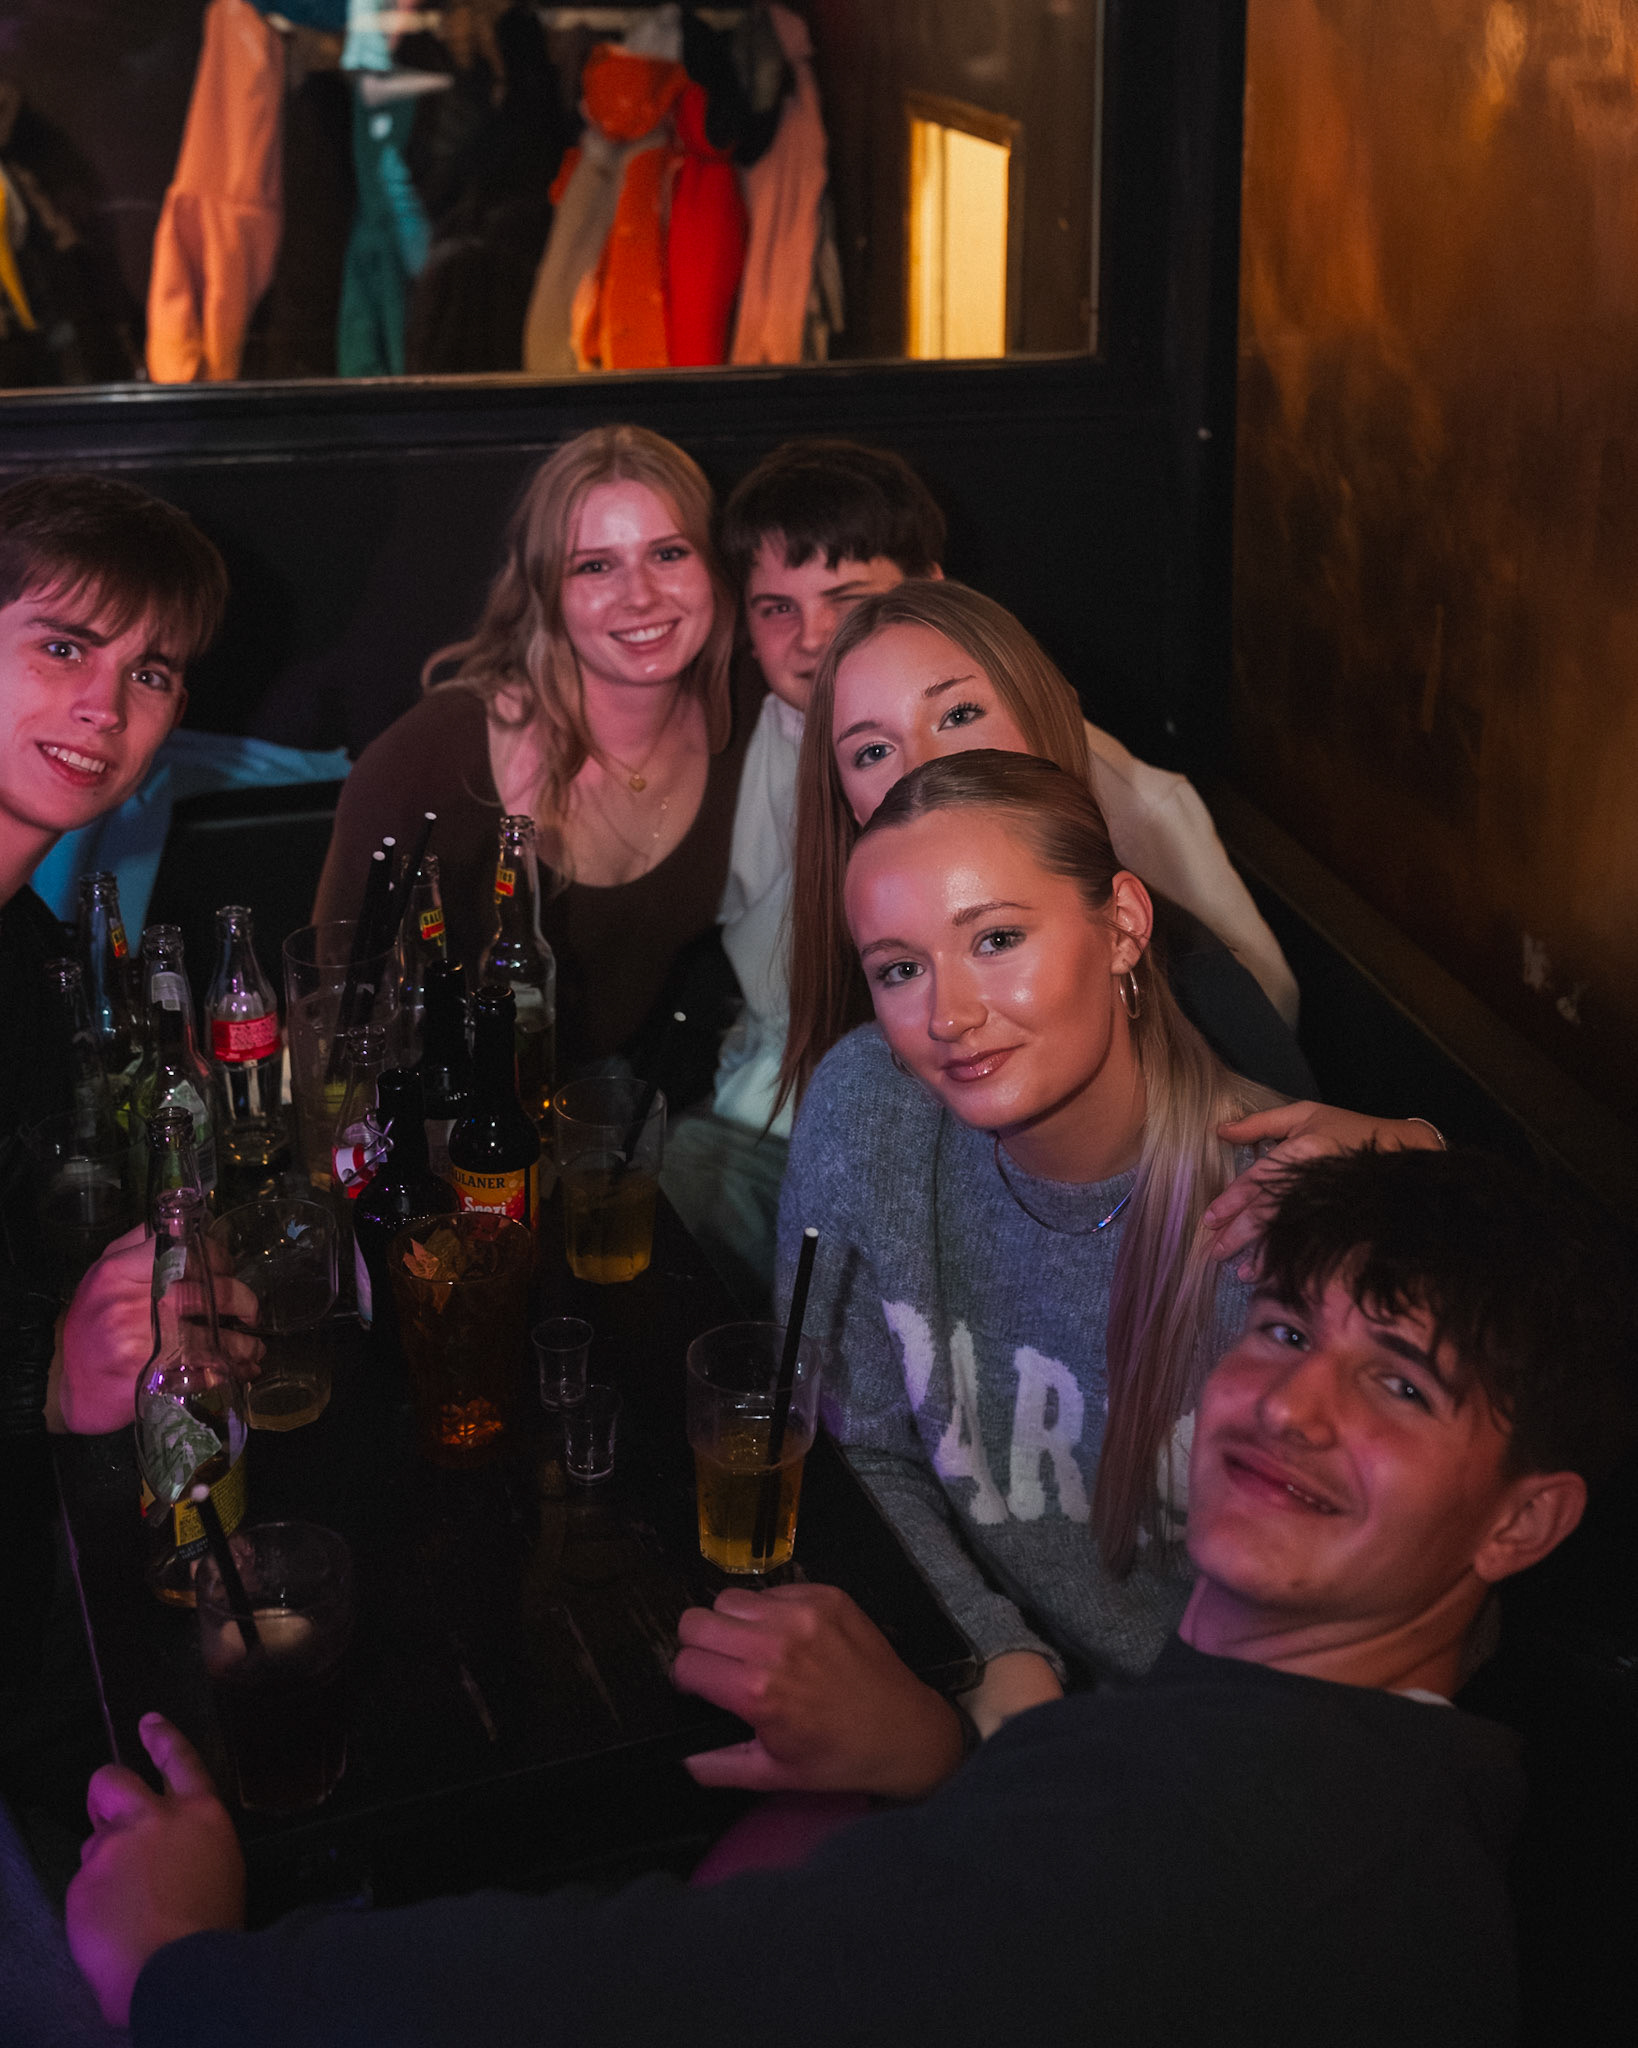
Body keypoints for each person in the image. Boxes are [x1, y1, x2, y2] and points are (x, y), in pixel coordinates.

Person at [65, 1146, 1631, 2046]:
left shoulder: (1229, 1846)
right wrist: (947, 1769)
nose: (1291, 1408)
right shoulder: (1371, 1777)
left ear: (1523, 1519)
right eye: (1284, 1331)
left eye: (1400, 1385)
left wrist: (184, 1974)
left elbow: (636, 2007)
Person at [672, 752, 1444, 1801]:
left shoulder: (1284, 1212)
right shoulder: (868, 1107)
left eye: (997, 939)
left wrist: (1429, 1163)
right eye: (899, 969)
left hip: (1207, 1777)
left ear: (1122, 925)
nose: (948, 1014)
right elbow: (862, 1444)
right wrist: (998, 1655)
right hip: (963, 1694)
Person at [662, 438, 1298, 1307]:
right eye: (870, 749)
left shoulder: (1132, 828)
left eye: (959, 714)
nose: (813, 637)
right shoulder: (768, 755)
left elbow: (1257, 1023)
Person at [312, 426, 756, 1106]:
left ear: (714, 567)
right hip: (448, 1115)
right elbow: (339, 1006)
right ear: (543, 589)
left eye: (669, 553)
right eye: (594, 566)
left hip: (634, 1106)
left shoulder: (753, 715)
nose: (640, 595)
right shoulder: (430, 760)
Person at [782, 576, 1309, 1117]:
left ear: (1043, 721)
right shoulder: (853, 1072)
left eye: (959, 715)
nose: (923, 767)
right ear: (848, 804)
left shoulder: (1205, 1000)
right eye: (873, 751)